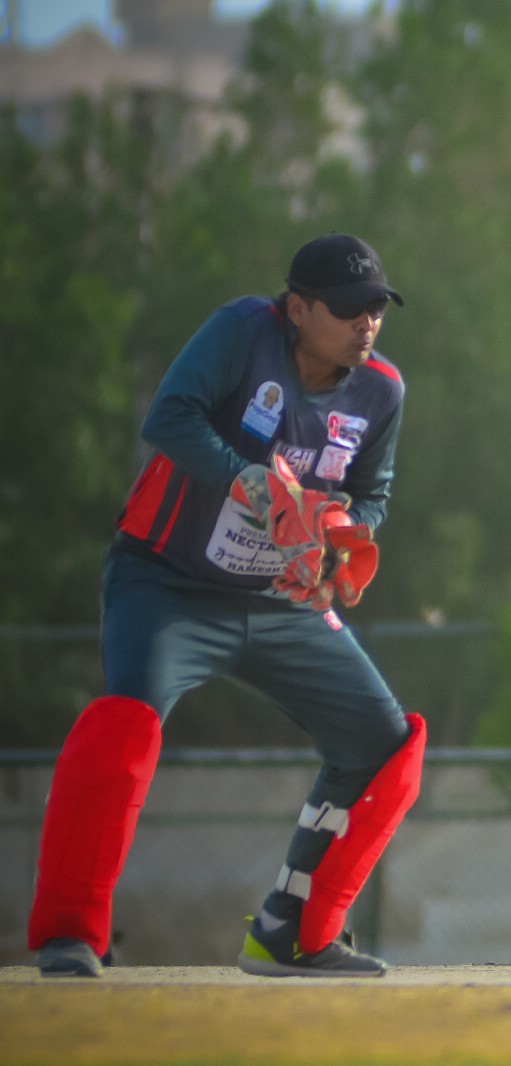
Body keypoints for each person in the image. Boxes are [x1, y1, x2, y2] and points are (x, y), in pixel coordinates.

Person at [29, 234, 426, 979]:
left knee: (383, 743)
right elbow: (169, 418)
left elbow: (372, 492)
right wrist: (250, 481)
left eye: (377, 308)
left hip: (282, 601)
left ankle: (290, 932)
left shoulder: (381, 390)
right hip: (167, 583)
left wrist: (343, 536)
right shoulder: (243, 331)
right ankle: (70, 936)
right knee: (124, 726)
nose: (366, 323)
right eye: (349, 309)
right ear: (297, 308)